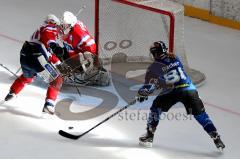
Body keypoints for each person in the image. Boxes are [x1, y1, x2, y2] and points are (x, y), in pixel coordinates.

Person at [137, 41, 225, 150]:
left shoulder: (154, 67)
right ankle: (216, 137)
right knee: (201, 115)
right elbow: (170, 73)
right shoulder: (175, 58)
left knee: (156, 107)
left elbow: (150, 86)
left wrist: (142, 94)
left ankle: (149, 136)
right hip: (189, 89)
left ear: (154, 53)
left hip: (172, 91)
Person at [4, 14, 65, 115]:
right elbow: (49, 36)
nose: (58, 30)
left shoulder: (38, 32)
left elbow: (48, 53)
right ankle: (49, 104)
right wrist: (53, 45)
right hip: (37, 56)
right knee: (56, 80)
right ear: (53, 23)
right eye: (57, 26)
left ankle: (12, 92)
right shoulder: (49, 27)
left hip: (24, 55)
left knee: (27, 77)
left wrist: (58, 62)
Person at [59, 11, 110, 86]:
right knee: (63, 51)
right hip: (85, 51)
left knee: (68, 55)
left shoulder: (75, 35)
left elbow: (74, 56)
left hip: (87, 56)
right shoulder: (76, 25)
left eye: (66, 25)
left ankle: (92, 75)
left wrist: (77, 65)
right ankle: (89, 70)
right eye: (63, 25)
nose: (64, 27)